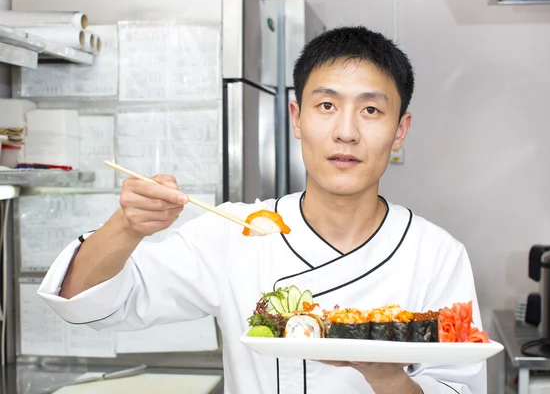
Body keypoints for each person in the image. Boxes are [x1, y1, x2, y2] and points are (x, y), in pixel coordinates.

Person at [38, 26, 487, 394]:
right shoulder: (238, 231)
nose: (346, 132)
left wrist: (384, 372)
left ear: (400, 129)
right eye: (326, 105)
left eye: (371, 109)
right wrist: (127, 226)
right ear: (296, 117)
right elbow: (86, 303)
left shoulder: (436, 254)